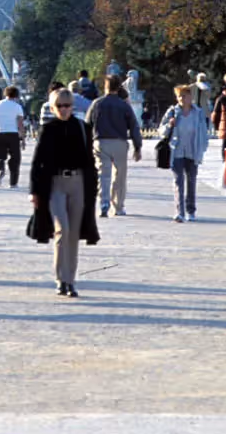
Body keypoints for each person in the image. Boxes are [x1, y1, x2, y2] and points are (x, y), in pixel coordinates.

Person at [27, 87, 100, 297]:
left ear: (72, 107)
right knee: (62, 230)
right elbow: (37, 161)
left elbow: (89, 161)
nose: (64, 109)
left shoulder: (82, 128)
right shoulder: (48, 130)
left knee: (74, 234)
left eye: (67, 105)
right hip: (55, 184)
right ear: (53, 107)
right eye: (59, 106)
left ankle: (70, 280)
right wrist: (34, 191)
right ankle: (60, 279)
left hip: (78, 184)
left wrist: (93, 189)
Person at [84, 74, 142, 217]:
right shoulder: (124, 106)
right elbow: (134, 126)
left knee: (103, 174)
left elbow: (87, 125)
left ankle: (104, 203)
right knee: (119, 176)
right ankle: (118, 206)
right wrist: (137, 146)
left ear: (106, 86)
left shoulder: (96, 103)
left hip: (101, 142)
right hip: (120, 143)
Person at [160, 84, 208, 223]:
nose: (181, 98)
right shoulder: (172, 112)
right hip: (177, 151)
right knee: (178, 182)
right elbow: (161, 130)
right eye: (179, 96)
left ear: (190, 97)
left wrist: (203, 148)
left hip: (193, 152)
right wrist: (169, 125)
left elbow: (204, 133)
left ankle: (191, 211)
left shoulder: (197, 113)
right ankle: (179, 212)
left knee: (191, 181)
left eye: (184, 96)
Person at [0, 85, 28, 188]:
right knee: (15, 159)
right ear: (16, 95)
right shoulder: (17, 107)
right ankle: (13, 183)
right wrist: (23, 139)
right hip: (13, 134)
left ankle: (0, 170)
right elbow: (20, 124)